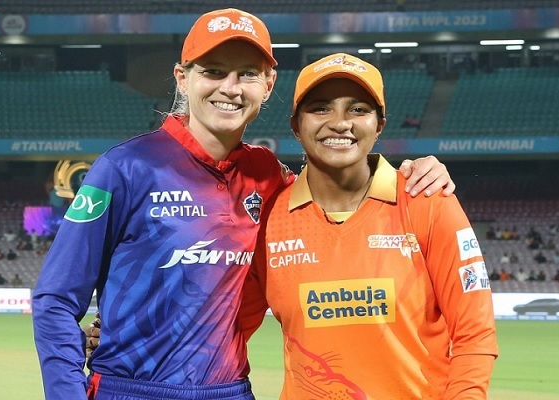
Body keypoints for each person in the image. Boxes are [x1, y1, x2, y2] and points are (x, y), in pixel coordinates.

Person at [33, 9, 456, 400]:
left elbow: (344, 193)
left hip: (229, 391)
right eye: (214, 71)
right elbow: (55, 300)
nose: (230, 88)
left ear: (268, 85)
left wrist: (412, 173)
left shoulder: (268, 175)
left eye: (247, 74)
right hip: (130, 389)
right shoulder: (124, 168)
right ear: (182, 78)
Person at [238, 53, 498, 399]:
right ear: (296, 126)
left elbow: (474, 333)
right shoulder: (269, 218)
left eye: (358, 109)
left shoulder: (427, 200)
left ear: (379, 125)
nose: (339, 123)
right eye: (320, 108)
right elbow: (229, 332)